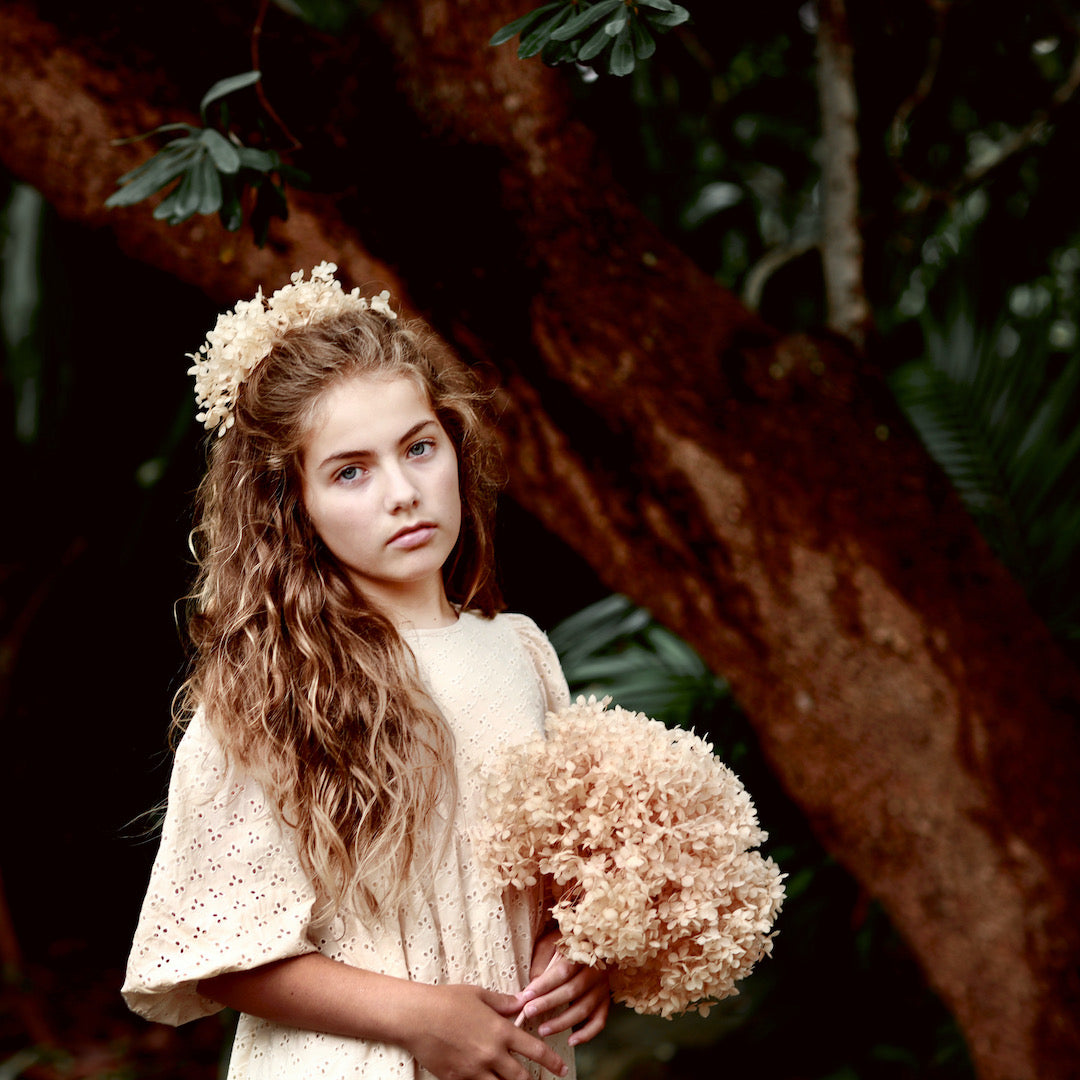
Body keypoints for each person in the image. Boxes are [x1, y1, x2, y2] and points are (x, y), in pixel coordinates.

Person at [122, 264, 610, 1080]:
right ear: (294, 505)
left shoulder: (519, 650)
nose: (403, 493)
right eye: (351, 471)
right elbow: (223, 949)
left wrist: (580, 947)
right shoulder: (268, 688)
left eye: (419, 448)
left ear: (455, 444)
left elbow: (552, 879)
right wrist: (426, 1019)